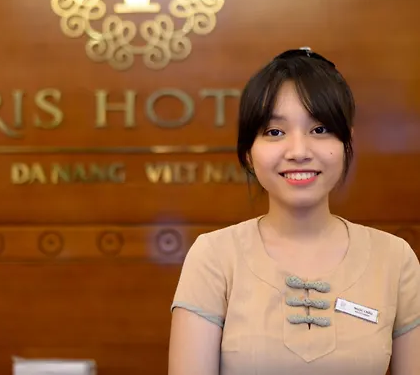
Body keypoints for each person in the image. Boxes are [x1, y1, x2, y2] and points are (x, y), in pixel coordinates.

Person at [168, 48, 420, 375]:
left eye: (320, 129)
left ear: (347, 145)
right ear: (248, 153)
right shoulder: (214, 256)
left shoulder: (395, 259)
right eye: (275, 132)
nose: (299, 151)